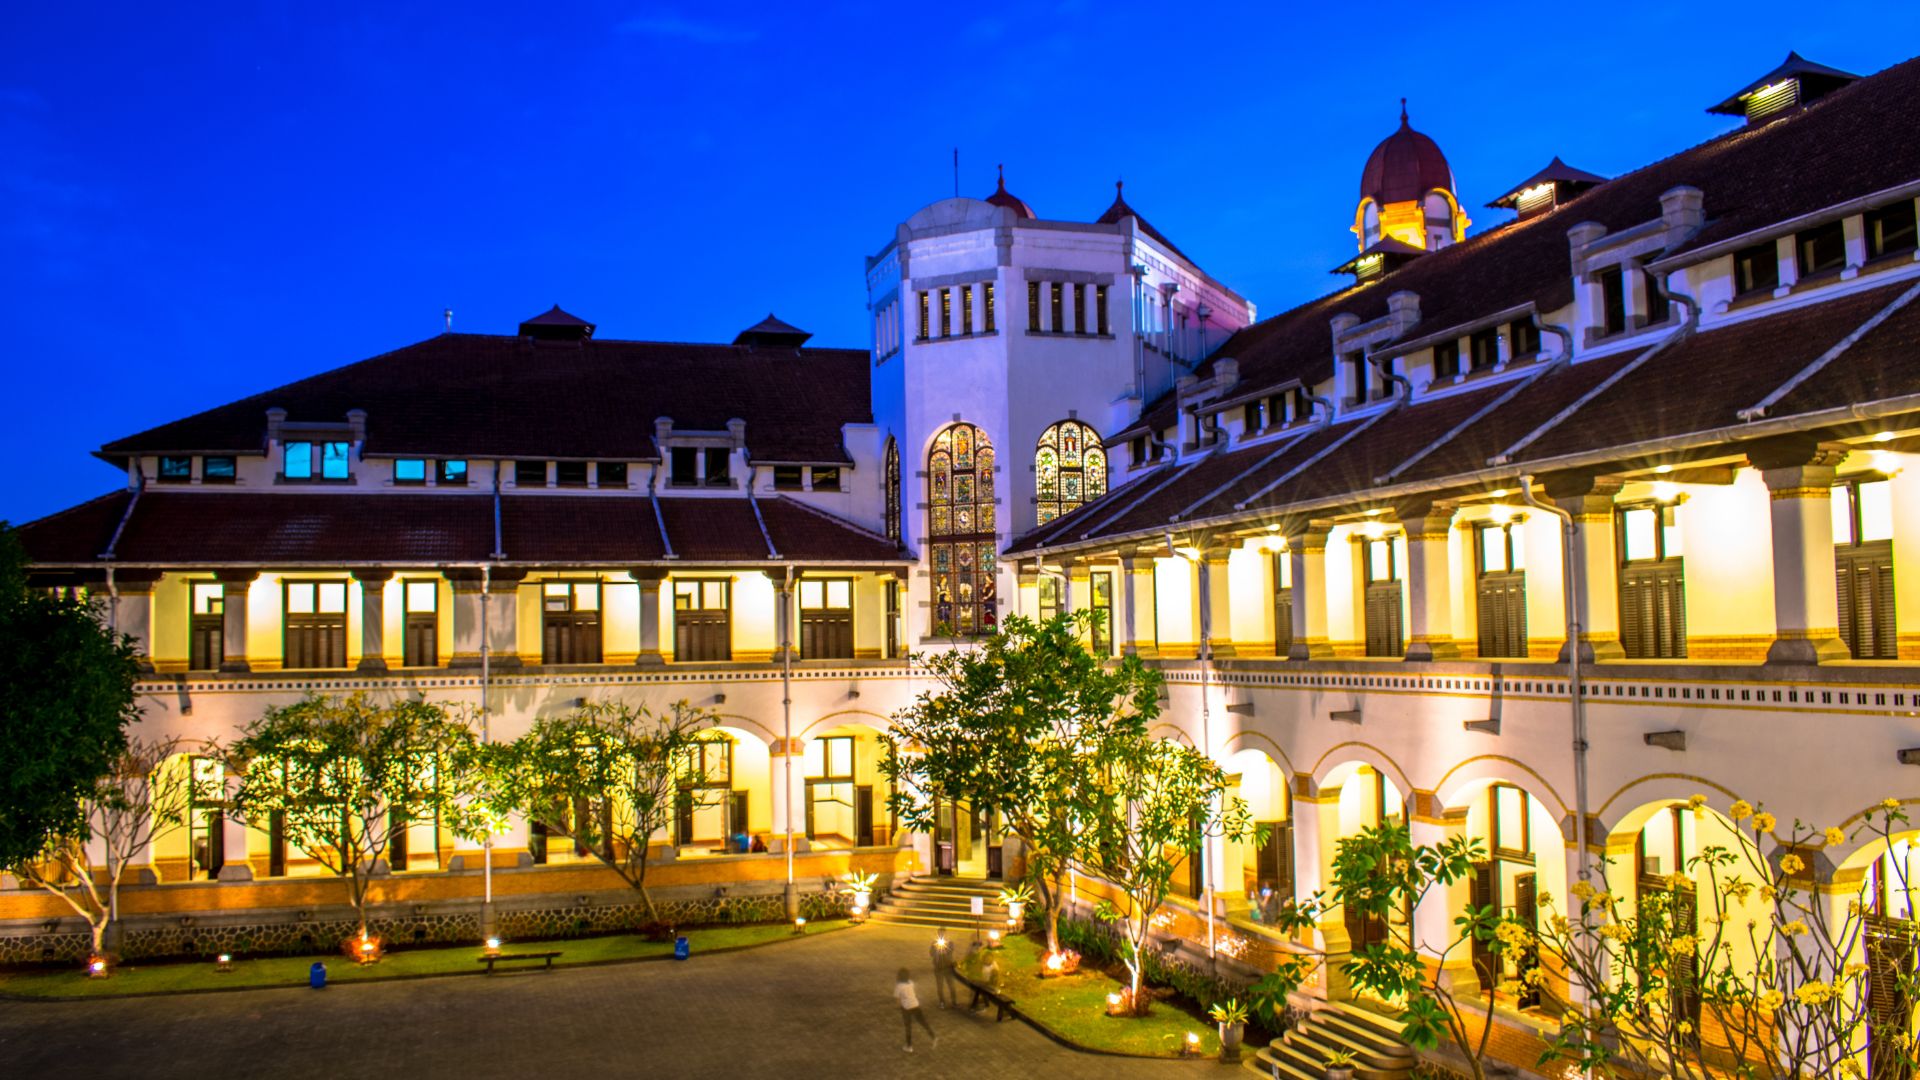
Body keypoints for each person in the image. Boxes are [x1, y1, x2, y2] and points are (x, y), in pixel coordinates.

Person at [895, 967, 937, 1052]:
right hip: (915, 1004)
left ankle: (909, 1046)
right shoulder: (911, 982)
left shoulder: (899, 986)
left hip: (906, 1007)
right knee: (923, 1022)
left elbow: (898, 1000)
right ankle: (933, 1036)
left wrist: (899, 1007)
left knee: (908, 1027)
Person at [929, 927, 958, 1008]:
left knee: (951, 986)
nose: (941, 935)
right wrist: (937, 951)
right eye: (940, 933)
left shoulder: (950, 943)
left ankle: (954, 1001)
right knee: (940, 987)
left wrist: (944, 950)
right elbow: (931, 953)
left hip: (948, 967)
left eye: (943, 933)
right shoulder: (934, 943)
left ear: (945, 934)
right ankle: (942, 1002)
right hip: (938, 968)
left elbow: (950, 951)